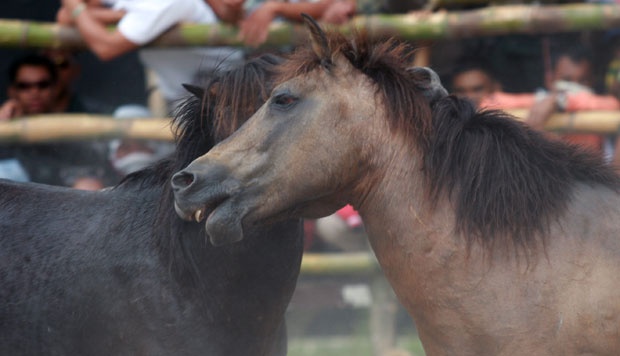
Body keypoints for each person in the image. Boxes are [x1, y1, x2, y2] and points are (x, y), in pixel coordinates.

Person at [57, 0, 244, 111]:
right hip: (178, 100)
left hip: (227, 93)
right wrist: (121, 16)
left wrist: (77, 7)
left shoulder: (165, 3)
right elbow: (65, 16)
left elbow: (106, 47)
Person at [0, 53, 114, 190]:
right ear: (12, 91)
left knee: (89, 185)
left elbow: (91, 165)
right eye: (24, 86)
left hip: (61, 196)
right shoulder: (5, 118)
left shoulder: (81, 118)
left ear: (55, 89)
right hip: (14, 200)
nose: (34, 92)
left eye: (43, 85)